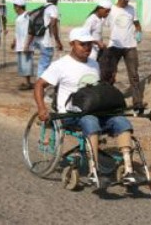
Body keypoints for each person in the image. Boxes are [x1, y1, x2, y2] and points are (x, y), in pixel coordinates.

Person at [33, 27, 137, 185]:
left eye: (89, 44)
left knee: (121, 121)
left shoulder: (94, 64)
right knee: (90, 120)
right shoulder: (60, 65)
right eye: (83, 44)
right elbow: (39, 85)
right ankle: (94, 170)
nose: (87, 48)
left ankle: (129, 170)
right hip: (70, 115)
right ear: (72, 44)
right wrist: (41, 108)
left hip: (95, 111)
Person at [100, 0, 145, 111]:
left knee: (134, 75)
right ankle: (107, 101)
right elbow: (101, 23)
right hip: (114, 46)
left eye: (128, 0)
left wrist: (139, 34)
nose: (126, 2)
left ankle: (137, 103)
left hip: (130, 46)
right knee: (110, 74)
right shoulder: (111, 10)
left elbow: (137, 24)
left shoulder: (131, 9)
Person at [25, 0, 63, 77]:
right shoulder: (54, 8)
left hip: (38, 39)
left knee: (43, 63)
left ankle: (42, 82)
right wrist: (58, 41)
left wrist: (28, 44)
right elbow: (53, 25)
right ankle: (40, 85)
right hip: (47, 41)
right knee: (44, 64)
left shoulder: (42, 7)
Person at [10, 0, 33, 90]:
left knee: (26, 63)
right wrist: (14, 41)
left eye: (14, 6)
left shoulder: (26, 16)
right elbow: (17, 31)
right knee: (22, 64)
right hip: (20, 44)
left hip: (26, 44)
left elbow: (30, 30)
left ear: (18, 7)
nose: (14, 8)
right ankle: (26, 82)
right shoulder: (18, 17)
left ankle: (28, 83)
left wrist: (27, 44)